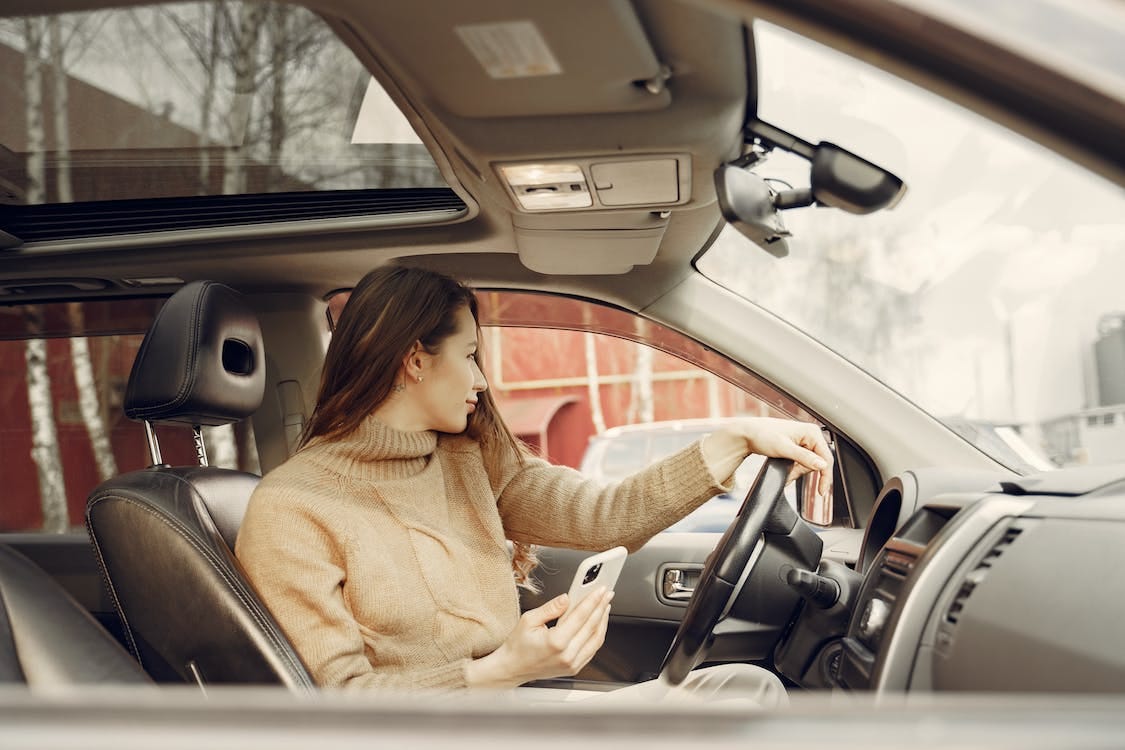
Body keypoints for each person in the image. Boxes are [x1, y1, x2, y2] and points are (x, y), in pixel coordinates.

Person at [235, 265, 833, 702]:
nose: (481, 380)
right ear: (415, 360)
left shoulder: (469, 458)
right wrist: (500, 670)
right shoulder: (293, 508)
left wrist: (737, 440)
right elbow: (338, 701)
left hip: (508, 710)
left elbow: (604, 514)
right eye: (469, 355)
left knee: (743, 691)